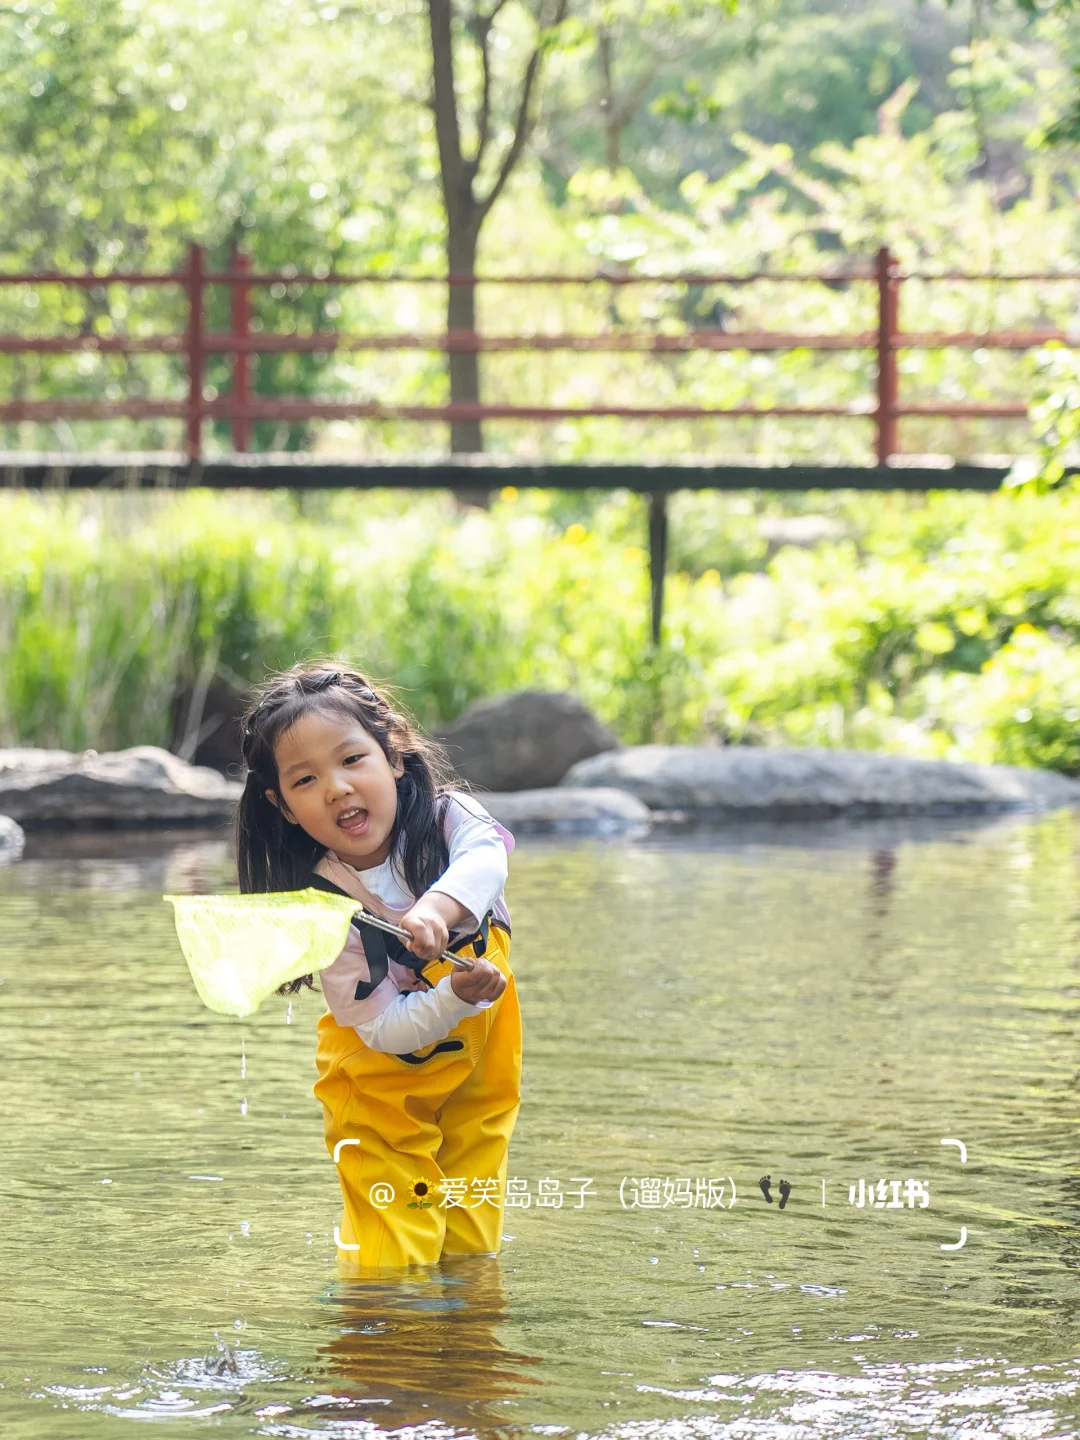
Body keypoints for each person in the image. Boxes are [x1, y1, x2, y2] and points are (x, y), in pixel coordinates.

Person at [234, 661, 522, 1269]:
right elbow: (384, 1029)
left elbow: (486, 860)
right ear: (282, 806)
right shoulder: (326, 908)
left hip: (476, 1075)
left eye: (351, 760)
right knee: (397, 1245)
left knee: (471, 1237)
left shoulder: (451, 820)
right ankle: (380, 1343)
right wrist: (455, 997)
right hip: (379, 1087)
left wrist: (438, 909)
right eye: (305, 780)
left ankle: (469, 1346)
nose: (336, 787)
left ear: (393, 754)